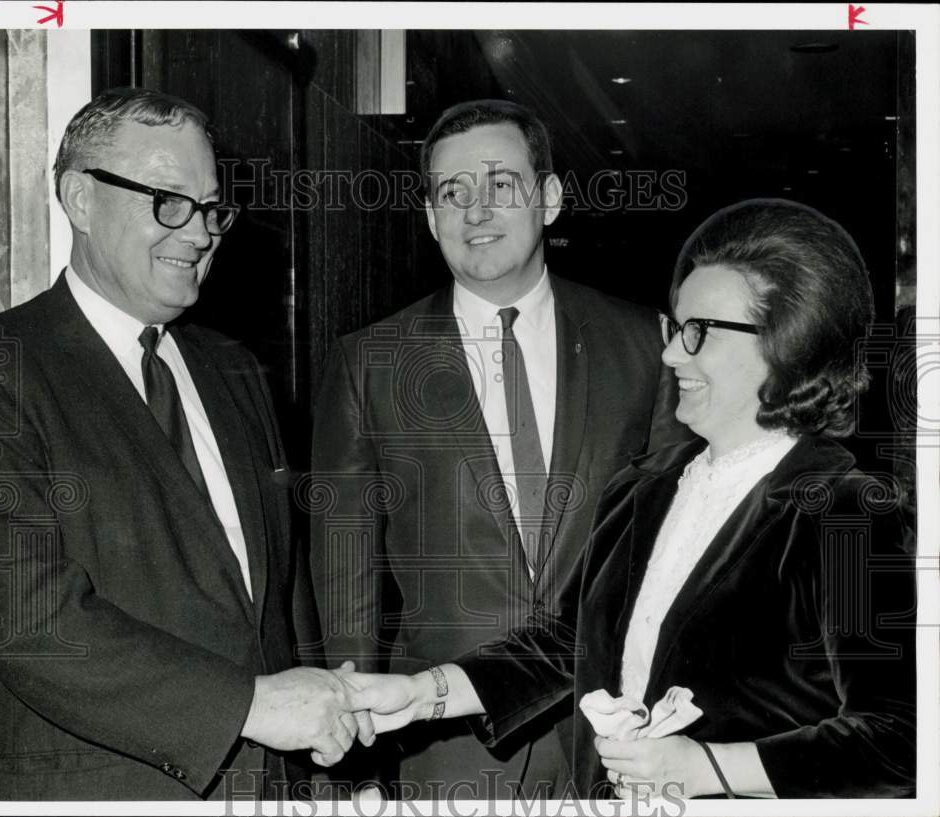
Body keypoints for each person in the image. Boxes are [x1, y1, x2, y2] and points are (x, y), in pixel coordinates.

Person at [342, 199, 918, 798]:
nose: (670, 354)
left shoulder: (844, 510)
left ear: (785, 345)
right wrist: (421, 694)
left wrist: (704, 768)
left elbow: (900, 741)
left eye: (698, 333)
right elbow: (566, 643)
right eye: (675, 328)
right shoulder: (645, 487)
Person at [0, 87, 370, 801]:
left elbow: (282, 598)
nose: (199, 232)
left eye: (212, 208)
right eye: (169, 201)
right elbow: (29, 618)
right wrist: (253, 706)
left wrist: (318, 766)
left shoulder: (237, 370)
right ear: (80, 199)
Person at [309, 99, 689, 800]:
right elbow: (345, 564)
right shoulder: (371, 362)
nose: (475, 211)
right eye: (452, 193)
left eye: (500, 186)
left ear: (548, 199)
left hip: (611, 738)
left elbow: (675, 546)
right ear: (429, 216)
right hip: (440, 745)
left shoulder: (642, 345)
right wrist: (354, 723)